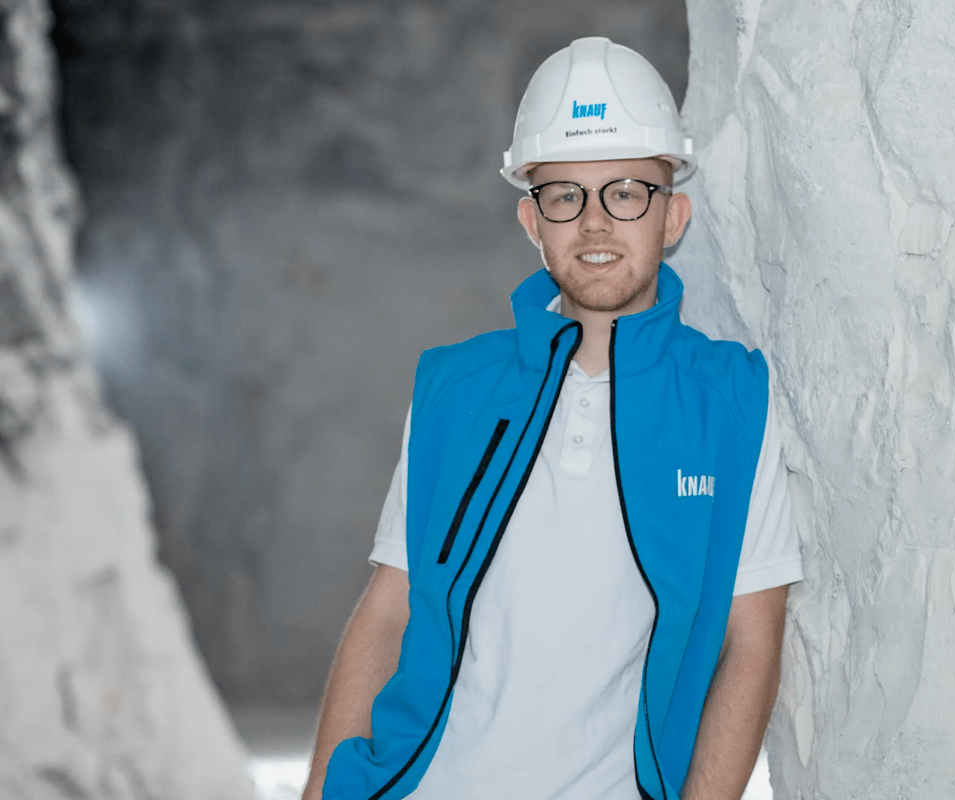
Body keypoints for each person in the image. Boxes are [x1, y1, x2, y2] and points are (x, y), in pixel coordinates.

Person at [302, 36, 803, 800]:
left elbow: (751, 640)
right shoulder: (454, 389)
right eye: (565, 195)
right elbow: (388, 609)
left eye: (626, 191)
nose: (595, 223)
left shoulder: (730, 401)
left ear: (672, 216)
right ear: (533, 222)